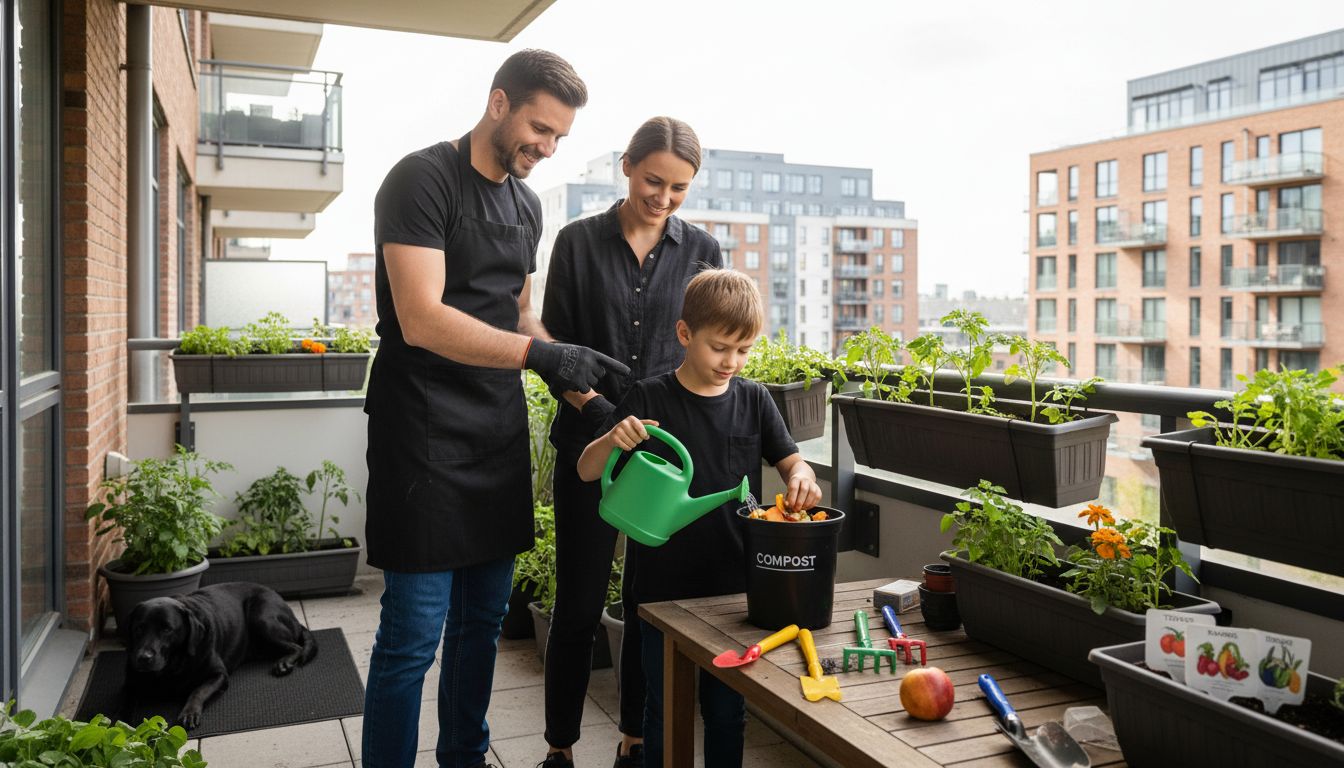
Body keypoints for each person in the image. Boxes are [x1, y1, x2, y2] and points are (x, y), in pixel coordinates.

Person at [361, 49, 629, 768]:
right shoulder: (422, 179)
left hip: (494, 433)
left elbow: (519, 317)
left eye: (559, 139)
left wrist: (585, 389)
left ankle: (465, 760)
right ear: (499, 102)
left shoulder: (526, 203)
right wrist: (541, 357)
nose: (545, 148)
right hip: (419, 433)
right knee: (413, 637)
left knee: (481, 627)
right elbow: (421, 318)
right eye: (539, 129)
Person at [575, 270, 822, 768]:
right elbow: (586, 469)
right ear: (685, 334)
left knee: (727, 713)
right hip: (659, 592)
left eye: (744, 350)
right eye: (720, 348)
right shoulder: (649, 398)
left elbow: (792, 461)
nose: (732, 362)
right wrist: (611, 439)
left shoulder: (754, 400)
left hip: (732, 590)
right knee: (663, 711)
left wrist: (803, 476)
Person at [538, 117, 721, 768]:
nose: (664, 198)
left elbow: (708, 355)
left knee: (650, 610)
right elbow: (552, 355)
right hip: (590, 448)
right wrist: (607, 415)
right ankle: (559, 747)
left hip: (662, 463)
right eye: (653, 181)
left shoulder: (704, 252)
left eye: (679, 188)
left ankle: (635, 742)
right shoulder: (577, 243)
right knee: (580, 606)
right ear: (626, 165)